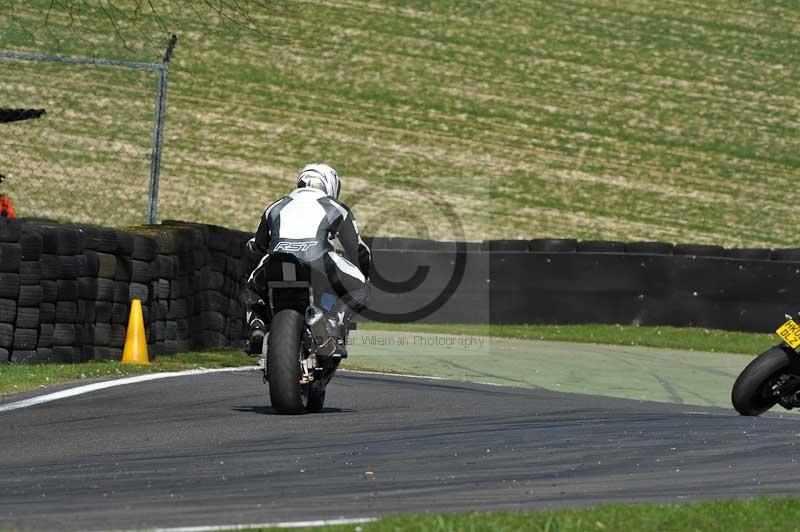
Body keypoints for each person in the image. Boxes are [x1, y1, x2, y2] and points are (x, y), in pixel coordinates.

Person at [243, 163, 371, 355]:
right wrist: (364, 273)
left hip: (277, 262)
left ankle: (257, 326)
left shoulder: (275, 206)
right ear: (331, 185)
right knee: (362, 289)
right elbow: (359, 251)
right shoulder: (338, 208)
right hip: (319, 262)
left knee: (251, 289)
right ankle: (333, 322)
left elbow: (256, 247)